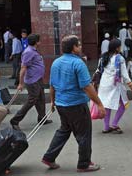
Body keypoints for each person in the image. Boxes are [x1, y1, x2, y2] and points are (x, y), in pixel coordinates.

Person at [42, 35, 106, 172]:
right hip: (76, 105)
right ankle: (84, 164)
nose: (81, 47)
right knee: (84, 134)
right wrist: (99, 104)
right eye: (79, 45)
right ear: (73, 48)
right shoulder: (78, 63)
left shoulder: (56, 63)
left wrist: (52, 101)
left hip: (61, 104)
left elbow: (52, 85)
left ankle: (49, 157)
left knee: (64, 130)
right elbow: (87, 87)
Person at [10, 34, 51, 130]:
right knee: (31, 101)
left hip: (37, 79)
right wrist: (20, 83)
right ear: (36, 42)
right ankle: (15, 120)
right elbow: (23, 68)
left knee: (41, 99)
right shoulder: (28, 52)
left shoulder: (33, 51)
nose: (40, 42)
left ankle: (42, 118)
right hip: (32, 81)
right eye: (39, 40)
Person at [98, 39, 132, 134]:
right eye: (120, 46)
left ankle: (106, 127)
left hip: (104, 84)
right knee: (124, 104)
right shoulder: (119, 58)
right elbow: (125, 74)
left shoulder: (103, 57)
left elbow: (98, 70)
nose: (121, 48)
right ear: (117, 48)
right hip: (114, 85)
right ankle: (114, 124)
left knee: (107, 105)